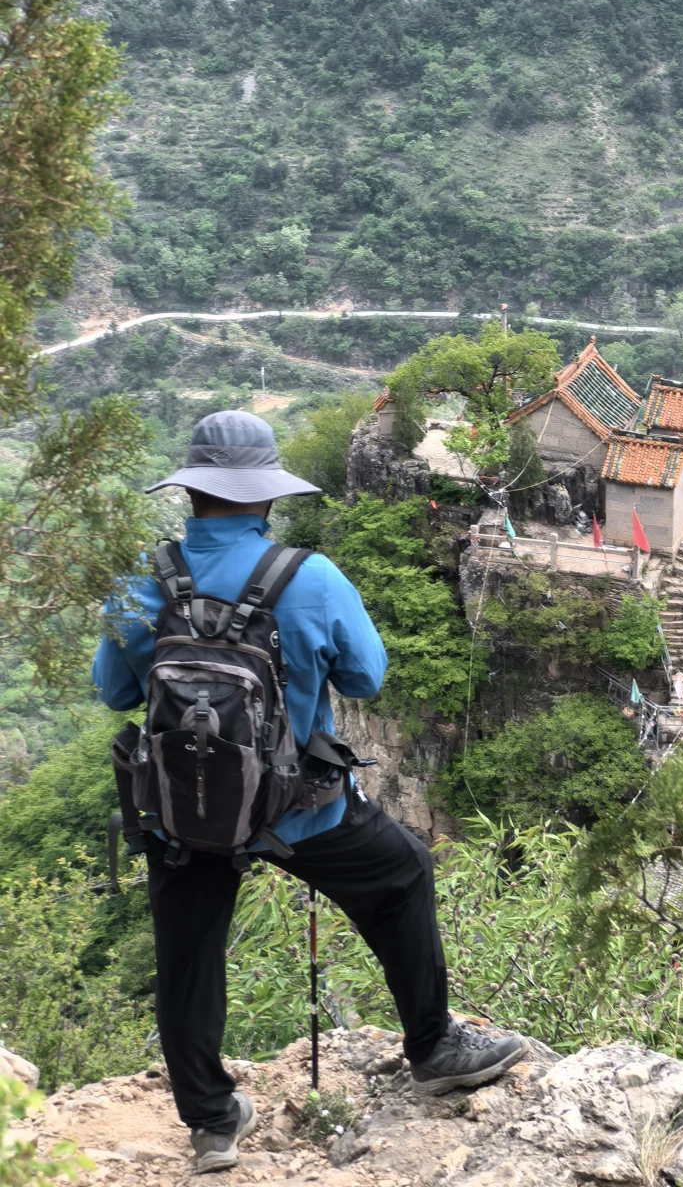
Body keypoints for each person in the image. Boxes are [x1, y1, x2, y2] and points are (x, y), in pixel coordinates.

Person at [93, 411, 524, 1173]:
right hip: (300, 811)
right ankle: (433, 1047)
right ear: (265, 495)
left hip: (182, 814)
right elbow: (367, 677)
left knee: (187, 956)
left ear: (190, 491)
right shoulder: (310, 578)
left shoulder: (141, 582)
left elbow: (113, 691)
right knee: (403, 873)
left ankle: (212, 1123)